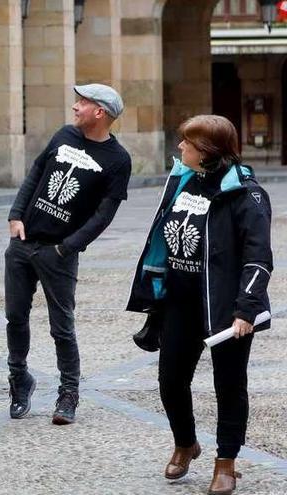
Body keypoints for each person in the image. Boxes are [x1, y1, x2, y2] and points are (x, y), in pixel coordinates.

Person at [127, 115, 272, 495]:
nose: (180, 148)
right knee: (171, 380)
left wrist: (246, 310)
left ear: (206, 151)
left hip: (225, 308)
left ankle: (226, 462)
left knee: (229, 385)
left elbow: (259, 258)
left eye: (186, 142)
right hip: (178, 301)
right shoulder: (183, 181)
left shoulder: (247, 195)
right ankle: (186, 443)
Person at [5, 83, 131, 425]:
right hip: (23, 243)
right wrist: (16, 215)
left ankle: (69, 393)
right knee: (15, 317)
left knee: (62, 326)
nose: (75, 106)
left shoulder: (118, 160)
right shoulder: (63, 135)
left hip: (58, 252)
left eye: (82, 102)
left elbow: (104, 215)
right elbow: (36, 173)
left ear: (99, 112)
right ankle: (19, 379)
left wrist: (66, 248)